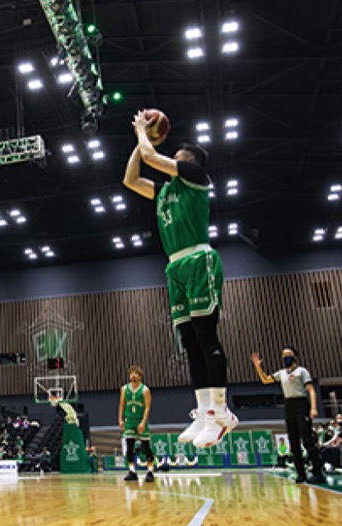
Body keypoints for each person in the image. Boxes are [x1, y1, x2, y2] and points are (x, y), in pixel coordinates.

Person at [123, 113, 236, 448]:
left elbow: (151, 158)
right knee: (189, 342)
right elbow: (130, 179)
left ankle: (221, 413)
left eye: (179, 158)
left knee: (205, 335)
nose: (173, 160)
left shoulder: (196, 177)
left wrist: (143, 133)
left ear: (190, 163)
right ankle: (203, 412)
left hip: (199, 259)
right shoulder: (163, 191)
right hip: (175, 266)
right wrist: (139, 142)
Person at [252, 349, 325, 484]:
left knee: (307, 440)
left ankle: (318, 472)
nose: (285, 357)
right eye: (283, 355)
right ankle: (300, 473)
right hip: (289, 405)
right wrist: (258, 366)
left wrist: (314, 408)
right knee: (293, 441)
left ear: (295, 356)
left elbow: (311, 390)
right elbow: (265, 380)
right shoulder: (282, 373)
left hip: (301, 404)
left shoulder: (302, 371)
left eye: (288, 354)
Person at [118, 365, 153, 482]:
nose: (133, 375)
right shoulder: (124, 389)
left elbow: (147, 407)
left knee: (146, 447)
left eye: (136, 373)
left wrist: (143, 422)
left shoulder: (145, 390)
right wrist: (120, 419)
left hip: (140, 420)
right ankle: (132, 471)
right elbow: (122, 404)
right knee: (129, 447)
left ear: (140, 376)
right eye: (131, 373)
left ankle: (150, 471)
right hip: (129, 420)